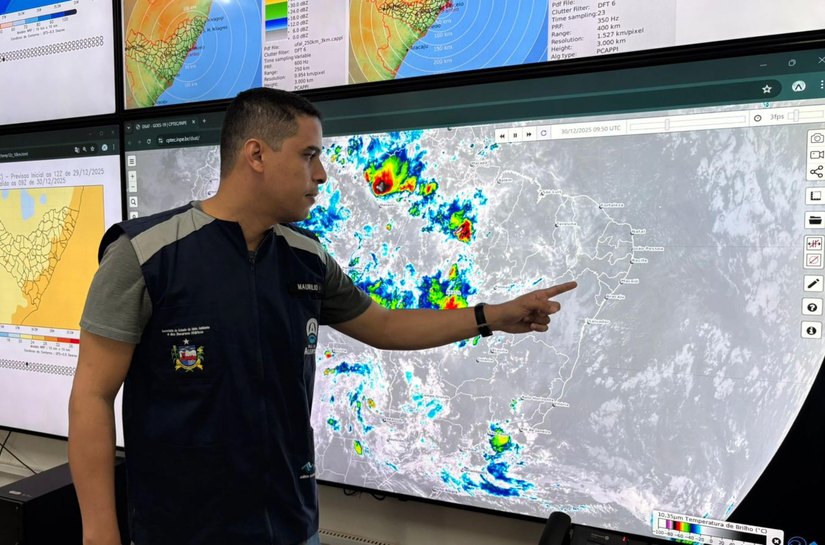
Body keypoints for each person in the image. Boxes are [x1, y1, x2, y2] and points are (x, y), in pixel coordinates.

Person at [68, 87, 577, 545]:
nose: (321, 174)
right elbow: (92, 395)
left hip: (292, 526)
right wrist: (100, 533)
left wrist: (490, 316)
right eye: (309, 155)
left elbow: (384, 325)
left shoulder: (305, 256)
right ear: (257, 155)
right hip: (183, 530)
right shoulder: (144, 255)